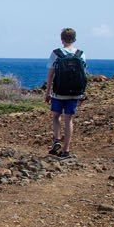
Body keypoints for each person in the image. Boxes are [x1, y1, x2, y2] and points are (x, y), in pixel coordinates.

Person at [44, 27, 87, 160]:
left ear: (62, 39)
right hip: (75, 92)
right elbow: (83, 75)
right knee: (69, 120)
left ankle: (57, 140)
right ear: (74, 39)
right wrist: (82, 93)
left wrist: (48, 92)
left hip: (59, 92)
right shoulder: (81, 54)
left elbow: (51, 74)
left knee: (56, 116)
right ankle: (66, 150)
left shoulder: (56, 53)